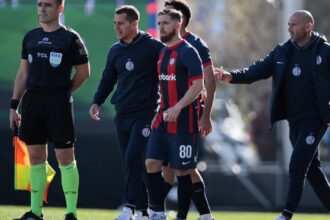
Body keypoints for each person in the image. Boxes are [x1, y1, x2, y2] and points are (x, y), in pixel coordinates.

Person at [215, 10, 330, 220]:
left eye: (294, 24)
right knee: (312, 171)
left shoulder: (325, 52)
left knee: (296, 166)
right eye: (288, 24)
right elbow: (256, 70)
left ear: (308, 26)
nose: (289, 28)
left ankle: (286, 215)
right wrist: (231, 76)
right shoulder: (282, 52)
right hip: (294, 121)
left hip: (315, 120)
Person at [9, 0, 90, 219]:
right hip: (33, 103)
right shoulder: (30, 37)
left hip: (59, 104)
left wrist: (63, 91)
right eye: (40, 4)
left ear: (60, 8)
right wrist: (14, 106)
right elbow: (23, 74)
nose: (42, 9)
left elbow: (84, 72)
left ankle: (71, 212)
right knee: (35, 157)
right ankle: (35, 212)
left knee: (65, 157)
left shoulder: (71, 38)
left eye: (48, 5)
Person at [89, 5, 164, 220]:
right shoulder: (115, 50)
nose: (117, 27)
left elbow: (170, 76)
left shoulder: (154, 47)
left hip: (145, 113)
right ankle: (142, 210)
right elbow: (107, 79)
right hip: (122, 113)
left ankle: (129, 206)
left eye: (121, 23)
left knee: (133, 156)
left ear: (134, 23)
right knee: (130, 161)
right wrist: (96, 101)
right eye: (115, 23)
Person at [145, 9, 204, 220]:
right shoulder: (162, 52)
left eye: (166, 23)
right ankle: (158, 212)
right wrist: (159, 111)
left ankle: (181, 216)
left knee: (182, 171)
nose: (161, 27)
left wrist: (178, 107)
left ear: (177, 25)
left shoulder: (189, 52)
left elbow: (198, 85)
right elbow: (164, 87)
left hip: (184, 121)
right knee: (151, 163)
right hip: (162, 119)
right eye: (159, 23)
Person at [162, 1, 216, 220]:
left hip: (189, 116)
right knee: (169, 166)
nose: (163, 17)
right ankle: (152, 208)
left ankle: (183, 214)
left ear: (179, 19)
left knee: (185, 167)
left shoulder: (195, 45)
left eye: (167, 13)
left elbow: (209, 81)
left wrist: (206, 115)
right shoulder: (165, 43)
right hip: (168, 115)